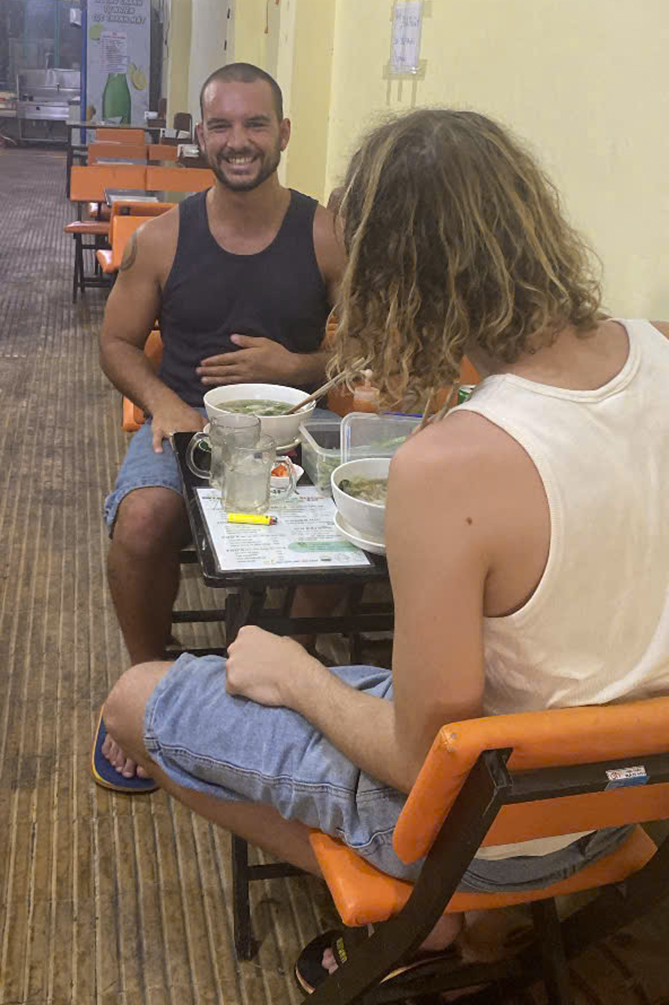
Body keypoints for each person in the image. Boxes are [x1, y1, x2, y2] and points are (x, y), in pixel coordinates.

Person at [103, 108, 669, 984]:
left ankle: (426, 912)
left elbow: (417, 758)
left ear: (391, 275)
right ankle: (472, 921)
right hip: (625, 796)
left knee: (136, 701)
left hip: (487, 831)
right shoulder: (656, 352)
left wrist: (294, 672)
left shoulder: (451, 464)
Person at [97, 62, 345, 784]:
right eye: (223, 126)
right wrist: (162, 403)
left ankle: (287, 667)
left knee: (347, 534)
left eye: (255, 123)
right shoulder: (163, 238)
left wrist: (298, 364)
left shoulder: (325, 234)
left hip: (296, 421)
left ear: (283, 133)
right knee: (141, 521)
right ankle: (148, 685)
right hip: (189, 424)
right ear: (201, 136)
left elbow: (368, 343)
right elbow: (116, 343)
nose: (239, 141)